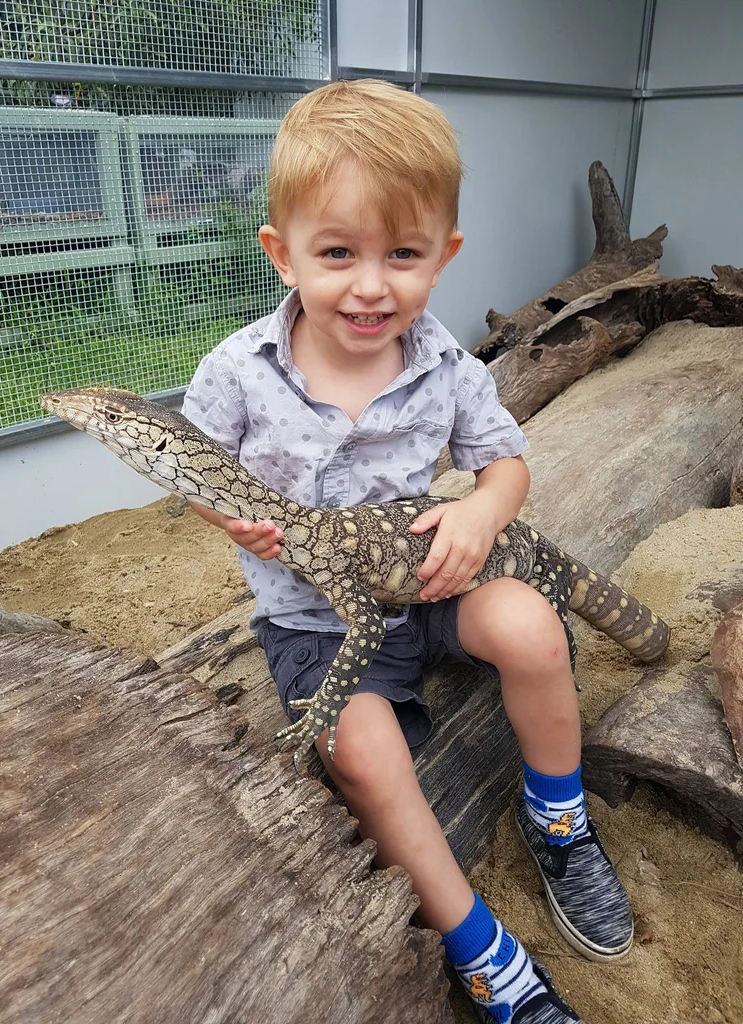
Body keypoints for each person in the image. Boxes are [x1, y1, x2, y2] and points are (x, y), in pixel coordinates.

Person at [182, 79, 633, 1024]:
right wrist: (230, 522)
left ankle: (559, 819)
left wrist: (479, 515)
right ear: (282, 253)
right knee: (367, 758)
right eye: (337, 252)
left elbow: (504, 463)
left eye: (404, 254)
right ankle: (479, 947)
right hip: (315, 619)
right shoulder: (235, 373)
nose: (372, 284)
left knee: (534, 626)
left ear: (444, 257)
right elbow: (199, 479)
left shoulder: (447, 365)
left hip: (434, 581)